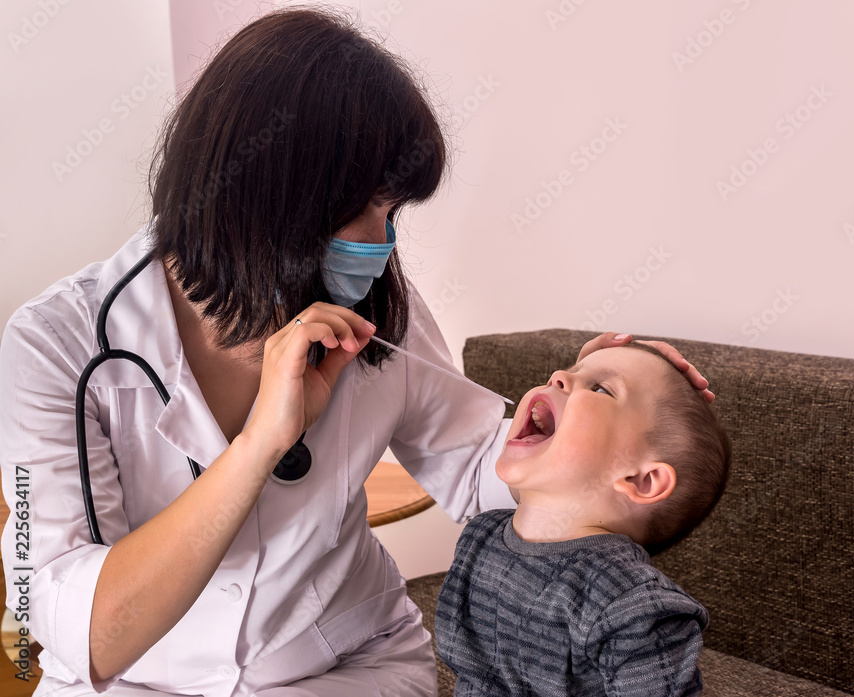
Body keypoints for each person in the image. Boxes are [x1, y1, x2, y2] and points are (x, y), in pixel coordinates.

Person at [0, 7, 712, 697]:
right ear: (266, 189)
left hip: (346, 670)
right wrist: (259, 445)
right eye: (365, 206)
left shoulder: (377, 309)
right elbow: (74, 629)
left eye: (393, 211)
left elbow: (475, 464)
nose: (383, 242)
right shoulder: (54, 347)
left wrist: (616, 414)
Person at [435, 342, 731, 696]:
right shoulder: (479, 538)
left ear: (642, 480)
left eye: (601, 389)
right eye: (570, 371)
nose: (557, 376)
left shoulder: (634, 606)